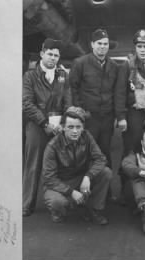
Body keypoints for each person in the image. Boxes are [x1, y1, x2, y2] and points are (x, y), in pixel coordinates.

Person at [22, 38, 72, 217]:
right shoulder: (30, 76)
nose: (53, 58)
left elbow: (68, 101)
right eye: (50, 54)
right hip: (37, 126)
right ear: (42, 54)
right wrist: (44, 123)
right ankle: (27, 204)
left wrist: (65, 122)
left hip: (58, 127)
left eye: (56, 55)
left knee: (60, 165)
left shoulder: (62, 75)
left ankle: (58, 205)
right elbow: (27, 103)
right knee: (33, 164)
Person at [42, 106, 113, 225]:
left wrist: (88, 177)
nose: (75, 131)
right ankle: (59, 211)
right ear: (63, 127)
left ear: (83, 128)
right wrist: (71, 192)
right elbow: (49, 178)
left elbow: (101, 159)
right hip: (59, 183)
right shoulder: (52, 146)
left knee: (106, 173)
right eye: (70, 127)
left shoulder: (86, 136)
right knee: (57, 202)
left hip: (80, 178)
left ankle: (93, 208)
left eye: (78, 127)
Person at [69, 28, 128, 166]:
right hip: (89, 117)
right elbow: (72, 89)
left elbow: (117, 92)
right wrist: (79, 111)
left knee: (105, 151)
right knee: (85, 152)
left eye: (105, 44)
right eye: (99, 43)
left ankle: (106, 186)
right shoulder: (80, 63)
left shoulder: (114, 66)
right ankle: (85, 185)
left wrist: (118, 115)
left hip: (107, 117)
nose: (102, 47)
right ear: (92, 44)